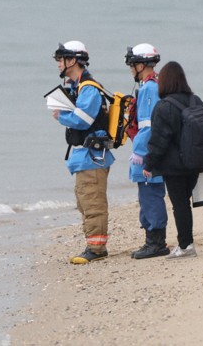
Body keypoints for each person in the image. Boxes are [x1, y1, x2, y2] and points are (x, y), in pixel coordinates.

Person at [51, 41, 115, 264]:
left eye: (61, 59)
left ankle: (96, 249)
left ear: (73, 60)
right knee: (84, 200)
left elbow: (83, 119)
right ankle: (94, 244)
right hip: (86, 156)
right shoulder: (78, 86)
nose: (58, 63)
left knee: (93, 202)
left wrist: (61, 116)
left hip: (93, 156)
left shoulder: (88, 88)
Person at [142, 61, 203, 259]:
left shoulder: (163, 107)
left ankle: (186, 246)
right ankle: (186, 243)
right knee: (184, 203)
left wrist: (149, 163)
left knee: (180, 205)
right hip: (195, 161)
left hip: (175, 166)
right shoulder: (195, 100)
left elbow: (159, 139)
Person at [124, 43, 170, 259]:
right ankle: (153, 240)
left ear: (142, 64)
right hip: (155, 150)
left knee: (150, 195)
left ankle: (156, 242)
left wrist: (141, 154)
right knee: (149, 194)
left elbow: (148, 126)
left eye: (132, 64)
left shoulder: (150, 88)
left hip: (149, 152)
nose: (131, 69)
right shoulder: (156, 83)